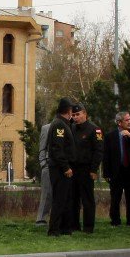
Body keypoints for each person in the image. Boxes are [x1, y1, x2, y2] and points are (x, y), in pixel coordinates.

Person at [69, 104, 104, 233]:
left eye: (78, 115)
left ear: (85, 114)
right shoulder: (71, 128)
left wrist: (94, 170)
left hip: (87, 169)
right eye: (73, 115)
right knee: (73, 199)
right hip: (73, 169)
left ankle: (88, 227)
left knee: (87, 199)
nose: (75, 117)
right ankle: (74, 225)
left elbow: (99, 151)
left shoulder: (94, 130)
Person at [102, 111, 130, 227]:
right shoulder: (110, 136)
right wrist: (106, 173)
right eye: (126, 120)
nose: (129, 122)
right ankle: (115, 220)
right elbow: (106, 156)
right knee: (115, 197)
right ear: (119, 122)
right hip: (116, 171)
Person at [47, 98, 75, 237]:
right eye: (71, 110)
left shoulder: (64, 123)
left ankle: (65, 228)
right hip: (59, 168)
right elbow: (57, 149)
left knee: (66, 198)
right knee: (60, 199)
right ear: (68, 110)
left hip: (63, 167)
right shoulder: (59, 125)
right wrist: (65, 167)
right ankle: (54, 229)